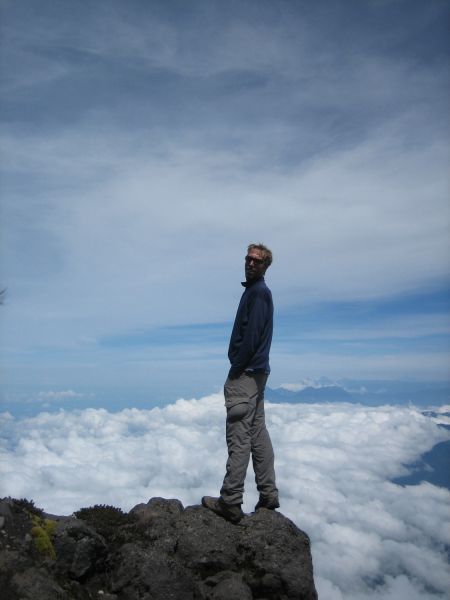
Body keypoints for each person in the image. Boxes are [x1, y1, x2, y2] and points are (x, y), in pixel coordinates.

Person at [202, 243, 279, 523]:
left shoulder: (258, 294)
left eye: (257, 261)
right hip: (258, 374)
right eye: (248, 258)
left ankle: (230, 500)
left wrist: (236, 366)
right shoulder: (258, 292)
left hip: (245, 375)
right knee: (258, 432)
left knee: (239, 435)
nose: (250, 263)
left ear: (265, 266)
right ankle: (268, 495)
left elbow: (252, 336)